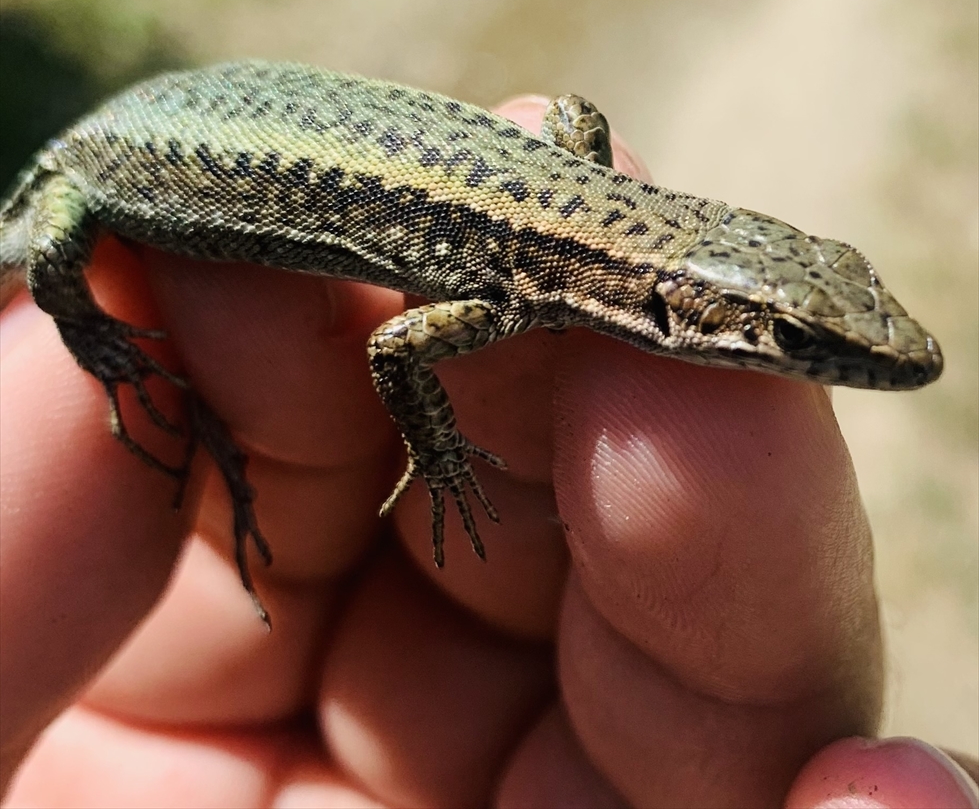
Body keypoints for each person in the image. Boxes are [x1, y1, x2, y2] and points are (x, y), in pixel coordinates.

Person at [2, 97, 976, 808]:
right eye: (798, 342)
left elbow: (575, 118)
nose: (835, 363)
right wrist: (442, 451)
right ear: (674, 305)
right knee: (55, 262)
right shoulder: (511, 288)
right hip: (105, 170)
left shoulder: (536, 275)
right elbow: (391, 346)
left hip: (206, 132)